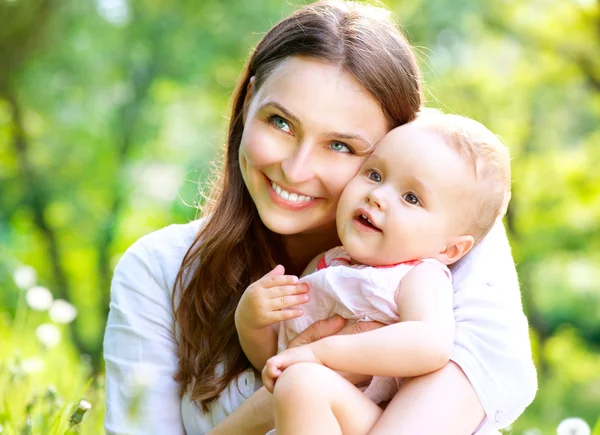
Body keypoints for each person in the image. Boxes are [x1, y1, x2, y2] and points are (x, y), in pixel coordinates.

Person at [103, 1, 537, 435]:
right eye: (281, 122)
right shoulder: (158, 270)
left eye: (341, 145)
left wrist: (308, 373)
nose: (295, 169)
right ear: (249, 100)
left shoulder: (445, 243)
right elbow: (277, 359)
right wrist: (276, 386)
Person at [243, 110, 511, 434]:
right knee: (296, 380)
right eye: (374, 175)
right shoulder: (327, 266)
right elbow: (276, 362)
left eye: (411, 198)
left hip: (372, 421)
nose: (377, 195)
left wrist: (322, 353)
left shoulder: (417, 276)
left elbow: (430, 343)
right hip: (311, 414)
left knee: (302, 382)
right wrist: (251, 322)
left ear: (449, 250)